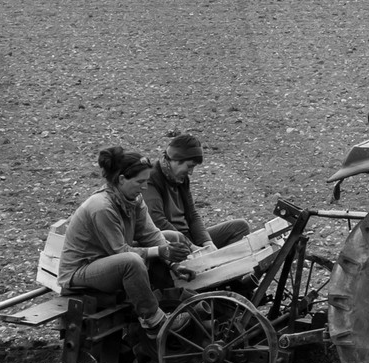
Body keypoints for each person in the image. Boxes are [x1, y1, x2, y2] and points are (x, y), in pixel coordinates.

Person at [59, 148, 191, 333]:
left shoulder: (133, 199)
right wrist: (161, 252)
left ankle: (167, 299)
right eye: (140, 182)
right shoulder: (102, 207)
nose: (144, 187)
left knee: (170, 236)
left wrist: (174, 264)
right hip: (81, 271)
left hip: (108, 260)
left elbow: (150, 234)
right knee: (131, 261)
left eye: (146, 181)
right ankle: (153, 321)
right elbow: (120, 252)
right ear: (122, 179)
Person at [143, 133, 249, 251]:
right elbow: (157, 220)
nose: (190, 172)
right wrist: (191, 246)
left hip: (189, 236)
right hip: (171, 241)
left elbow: (192, 215)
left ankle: (218, 262)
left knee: (240, 227)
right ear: (176, 160)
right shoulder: (151, 178)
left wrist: (207, 242)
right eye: (189, 166)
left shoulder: (181, 179)